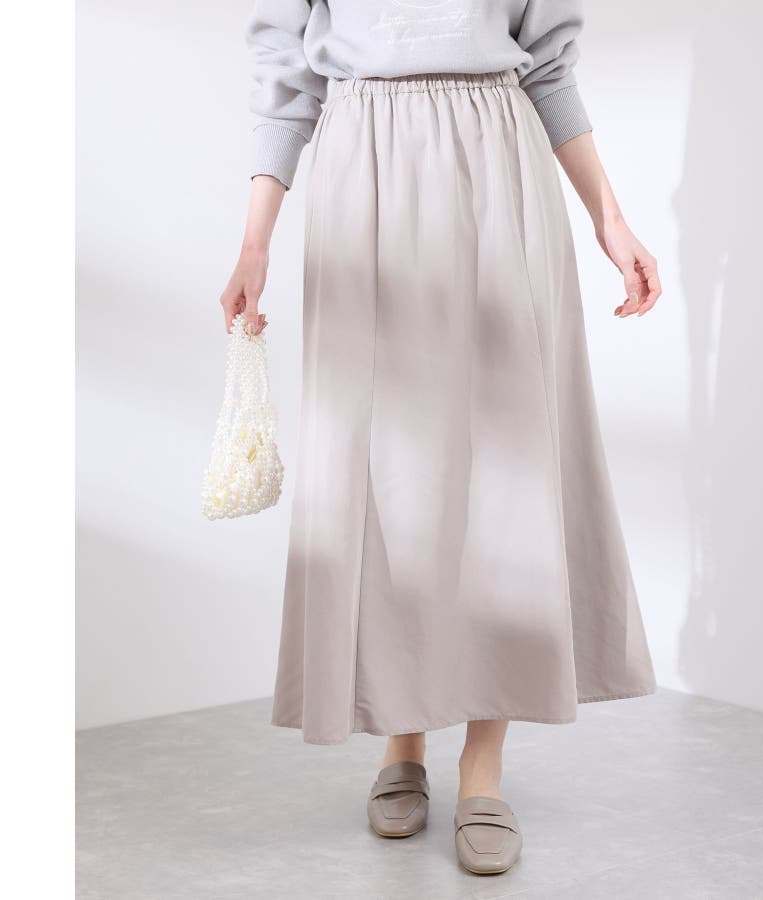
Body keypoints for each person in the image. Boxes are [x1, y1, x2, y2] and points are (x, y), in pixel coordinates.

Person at [220, 0, 660, 876]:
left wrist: (609, 218)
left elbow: (548, 62)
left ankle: (484, 762)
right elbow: (286, 75)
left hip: (496, 160)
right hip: (363, 167)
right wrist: (254, 240)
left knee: (506, 464)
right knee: (390, 472)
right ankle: (403, 736)